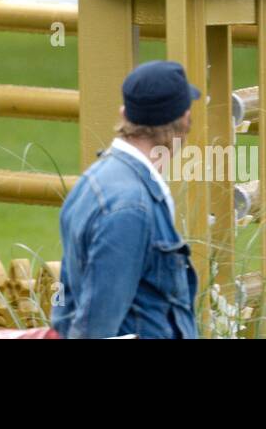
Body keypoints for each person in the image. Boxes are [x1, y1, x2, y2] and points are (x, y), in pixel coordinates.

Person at [52, 60, 200, 339]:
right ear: (184, 122)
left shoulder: (93, 180)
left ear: (125, 114)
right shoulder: (131, 207)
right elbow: (96, 327)